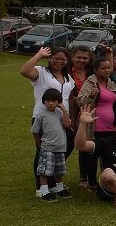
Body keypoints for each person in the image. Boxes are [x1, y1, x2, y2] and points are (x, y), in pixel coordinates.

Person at [20, 46, 75, 186]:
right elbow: (24, 71)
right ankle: (42, 184)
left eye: (63, 59)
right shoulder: (42, 72)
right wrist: (39, 54)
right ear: (50, 59)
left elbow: (69, 99)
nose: (59, 61)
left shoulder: (69, 78)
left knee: (63, 147)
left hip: (62, 119)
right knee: (43, 151)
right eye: (56, 58)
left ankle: (51, 179)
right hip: (44, 117)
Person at [75, 54, 116, 192]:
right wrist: (91, 95)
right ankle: (90, 181)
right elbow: (80, 101)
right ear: (95, 70)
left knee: (108, 154)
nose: (107, 70)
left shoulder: (112, 84)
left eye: (109, 68)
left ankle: (107, 180)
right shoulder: (89, 83)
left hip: (110, 127)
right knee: (91, 154)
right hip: (94, 126)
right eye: (103, 68)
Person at [32, 89, 72, 201]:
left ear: (58, 102)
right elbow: (35, 131)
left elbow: (67, 125)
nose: (50, 103)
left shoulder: (59, 113)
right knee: (44, 171)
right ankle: (44, 192)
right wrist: (40, 144)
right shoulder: (41, 115)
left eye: (54, 101)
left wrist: (64, 110)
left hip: (60, 147)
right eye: (48, 100)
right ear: (44, 101)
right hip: (47, 147)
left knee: (58, 171)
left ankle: (59, 189)